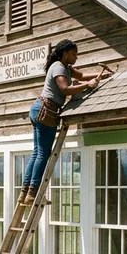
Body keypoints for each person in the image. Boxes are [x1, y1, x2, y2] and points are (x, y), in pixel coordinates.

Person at [21, 39, 110, 203]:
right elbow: (65, 89)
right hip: (45, 110)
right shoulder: (58, 67)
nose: (76, 57)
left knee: (36, 152)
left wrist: (103, 75)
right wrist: (87, 85)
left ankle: (25, 192)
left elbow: (82, 75)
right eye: (74, 54)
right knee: (43, 153)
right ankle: (32, 194)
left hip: (39, 108)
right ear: (65, 54)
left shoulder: (66, 68)